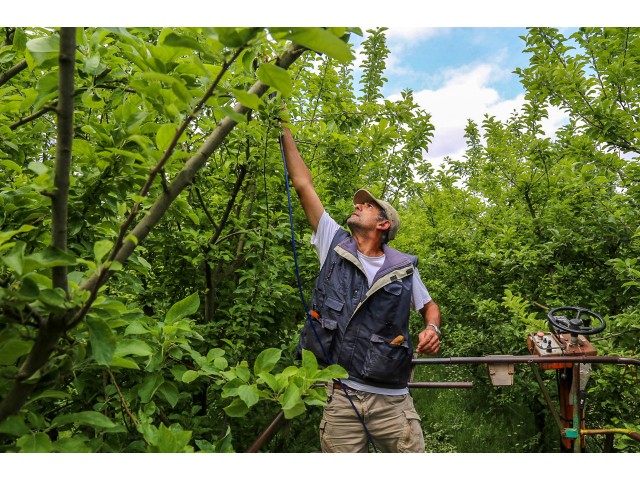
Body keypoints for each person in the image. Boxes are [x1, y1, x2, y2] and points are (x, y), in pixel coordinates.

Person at [281, 125, 442, 453]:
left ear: (383, 224)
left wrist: (431, 327)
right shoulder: (334, 243)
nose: (358, 206)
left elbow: (430, 306)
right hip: (340, 397)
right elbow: (302, 184)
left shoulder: (403, 269)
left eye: (367, 206)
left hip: (393, 403)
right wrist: (281, 122)